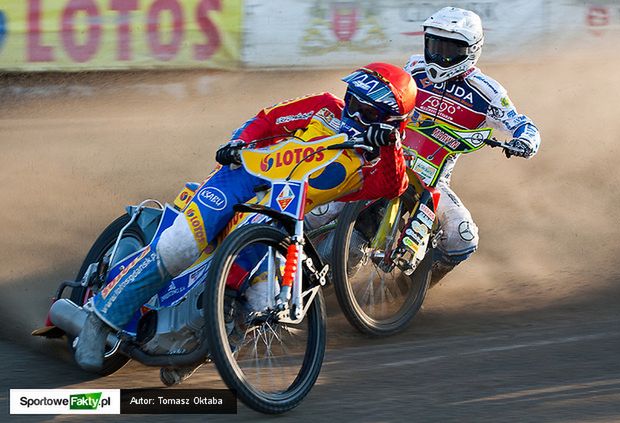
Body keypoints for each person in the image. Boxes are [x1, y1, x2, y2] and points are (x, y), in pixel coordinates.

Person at [74, 62, 418, 384]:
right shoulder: (325, 106)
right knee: (179, 246)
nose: (352, 113)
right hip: (241, 177)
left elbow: (394, 186)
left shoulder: (376, 164)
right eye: (352, 101)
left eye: (367, 111)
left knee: (264, 302)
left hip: (279, 217)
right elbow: (268, 119)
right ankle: (100, 320)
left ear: (392, 121)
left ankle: (202, 350)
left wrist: (388, 145)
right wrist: (238, 141)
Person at [404, 7, 541, 284]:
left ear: (472, 49)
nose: (441, 56)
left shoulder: (488, 92)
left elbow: (522, 125)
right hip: (388, 159)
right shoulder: (413, 68)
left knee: (462, 236)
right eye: (435, 45)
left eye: (451, 49)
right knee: (326, 210)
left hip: (434, 181)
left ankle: (407, 290)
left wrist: (524, 141)